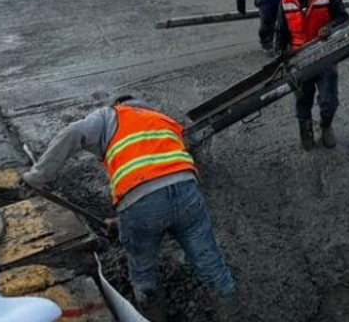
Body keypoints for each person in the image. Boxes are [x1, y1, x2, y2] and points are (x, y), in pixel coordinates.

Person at [22, 95, 238, 321]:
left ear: (119, 105)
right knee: (210, 262)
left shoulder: (110, 116)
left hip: (142, 202)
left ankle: (152, 314)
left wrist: (36, 177)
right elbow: (161, 177)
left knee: (142, 270)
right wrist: (120, 221)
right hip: (187, 192)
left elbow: (73, 133)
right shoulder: (162, 119)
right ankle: (231, 311)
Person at [275, 0, 349, 150]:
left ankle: (326, 125)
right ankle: (305, 129)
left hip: (324, 54)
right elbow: (281, 30)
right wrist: (281, 54)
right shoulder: (285, 0)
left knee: (329, 100)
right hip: (299, 58)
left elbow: (343, 17)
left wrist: (330, 28)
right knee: (302, 99)